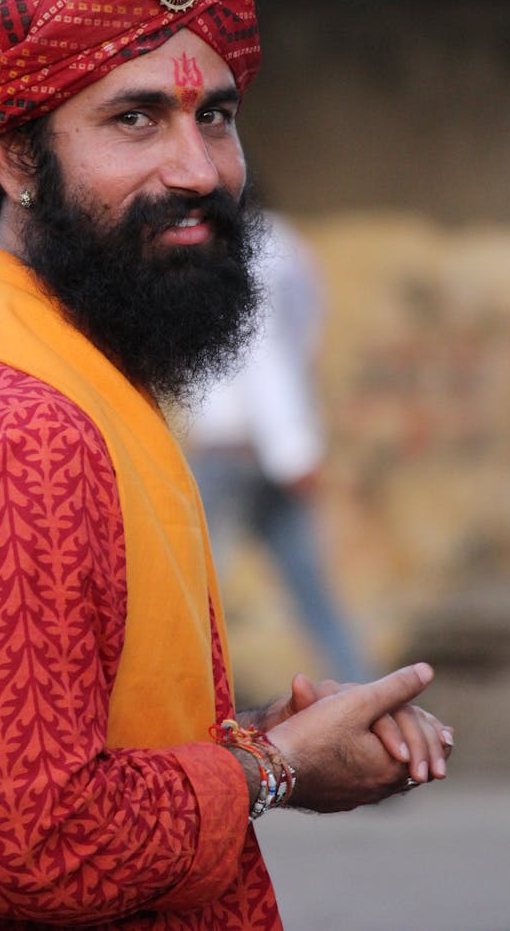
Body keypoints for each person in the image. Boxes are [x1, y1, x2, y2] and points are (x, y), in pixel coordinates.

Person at [0, 0, 453, 930]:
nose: (199, 170)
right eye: (135, 119)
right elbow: (31, 846)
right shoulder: (20, 433)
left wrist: (252, 741)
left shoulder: (64, 377)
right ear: (16, 159)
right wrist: (277, 766)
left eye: (214, 116)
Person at [187, 211, 369, 682]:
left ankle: (182, 715)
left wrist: (292, 451)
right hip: (271, 451)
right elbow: (296, 339)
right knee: (312, 593)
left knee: (190, 601)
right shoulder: (285, 243)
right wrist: (296, 450)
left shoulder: (241, 245)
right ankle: (366, 696)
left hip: (233, 452)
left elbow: (261, 355)